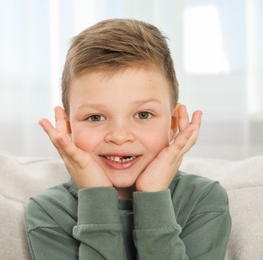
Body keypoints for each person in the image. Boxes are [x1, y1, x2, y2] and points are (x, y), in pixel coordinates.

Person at [25, 18, 231, 259]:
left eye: (143, 114)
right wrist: (96, 198)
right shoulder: (48, 212)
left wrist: (153, 195)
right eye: (95, 117)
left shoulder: (202, 200)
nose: (119, 136)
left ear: (174, 123)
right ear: (67, 127)